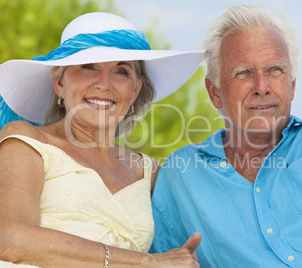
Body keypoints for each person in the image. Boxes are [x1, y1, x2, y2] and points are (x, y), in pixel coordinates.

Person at [150, 4, 302, 268]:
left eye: (275, 70)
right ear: (214, 92)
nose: (262, 87)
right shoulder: (182, 176)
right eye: (244, 73)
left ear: (292, 86)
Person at [0, 12, 204, 267]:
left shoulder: (148, 172)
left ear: (136, 89)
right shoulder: (26, 140)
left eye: (121, 71)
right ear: (59, 83)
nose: (104, 84)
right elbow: (10, 240)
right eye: (88, 67)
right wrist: (147, 262)